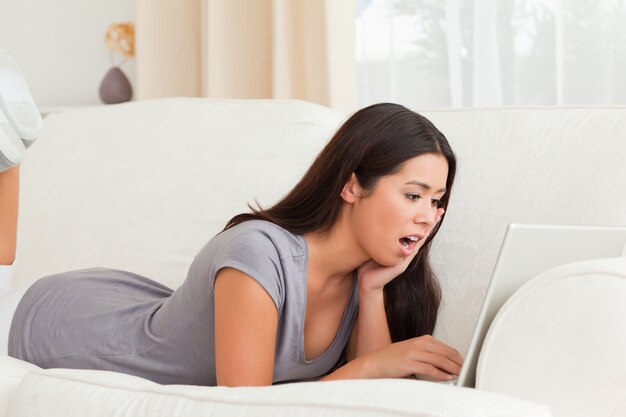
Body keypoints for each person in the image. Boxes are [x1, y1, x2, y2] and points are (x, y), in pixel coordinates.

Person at [0, 50, 463, 387]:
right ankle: (11, 146)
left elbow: (362, 401)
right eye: (413, 195)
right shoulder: (258, 254)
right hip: (62, 326)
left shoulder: (363, 284)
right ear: (351, 186)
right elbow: (244, 407)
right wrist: (369, 366)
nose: (428, 217)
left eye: (437, 201)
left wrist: (372, 289)